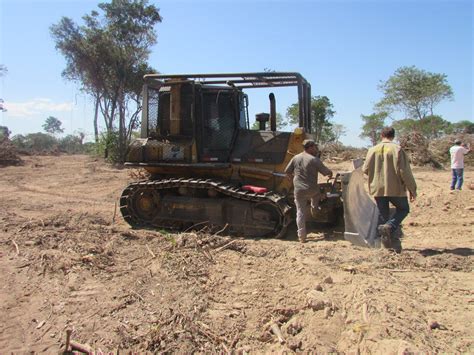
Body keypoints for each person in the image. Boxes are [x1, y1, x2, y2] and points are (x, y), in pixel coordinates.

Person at [362, 127, 417, 253]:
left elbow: (365, 169)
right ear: (393, 135)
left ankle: (381, 242)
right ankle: (390, 227)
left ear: (381, 135)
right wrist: (412, 189)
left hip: (378, 187)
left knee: (382, 213)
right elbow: (405, 172)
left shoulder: (372, 150)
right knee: (403, 209)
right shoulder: (397, 149)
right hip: (395, 187)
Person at [285, 139, 333, 243]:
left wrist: (292, 179)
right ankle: (314, 211)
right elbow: (326, 172)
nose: (316, 149)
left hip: (298, 190)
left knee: (300, 212)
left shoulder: (295, 157)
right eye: (315, 147)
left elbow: (287, 172)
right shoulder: (314, 160)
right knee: (318, 195)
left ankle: (302, 237)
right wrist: (331, 173)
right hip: (312, 189)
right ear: (310, 147)